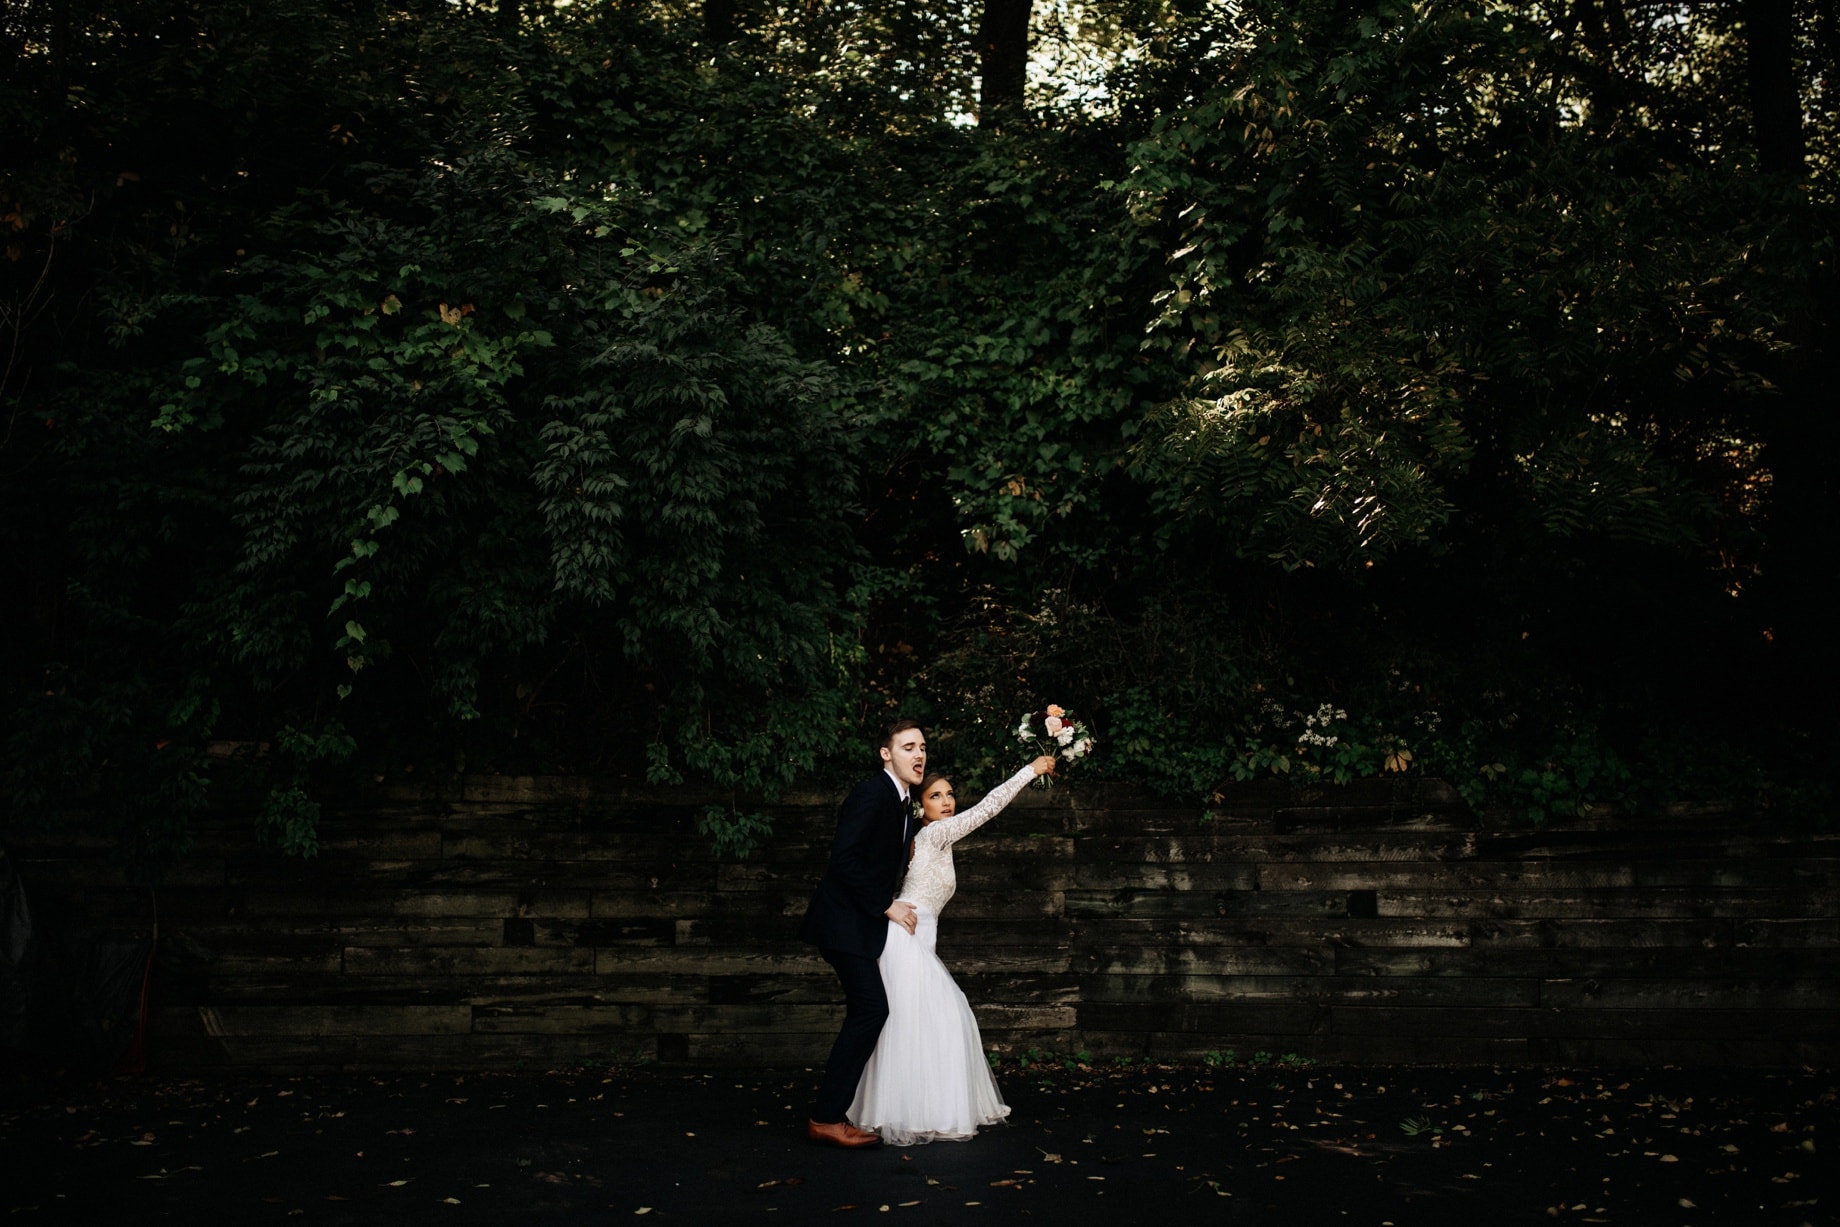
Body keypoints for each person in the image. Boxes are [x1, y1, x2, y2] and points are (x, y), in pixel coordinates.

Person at [847, 753, 1057, 1146]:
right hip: (905, 940)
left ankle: (913, 1112)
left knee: (918, 1027)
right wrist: (1031, 769)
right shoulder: (933, 835)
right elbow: (989, 807)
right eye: (935, 797)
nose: (946, 802)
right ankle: (912, 1114)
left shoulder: (928, 839)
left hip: (918, 940)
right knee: (938, 1021)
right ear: (920, 806)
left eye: (949, 794)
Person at [797, 718, 927, 1148]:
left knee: (868, 1011)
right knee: (872, 1010)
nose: (919, 754)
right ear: (886, 754)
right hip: (843, 922)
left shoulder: (904, 802)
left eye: (923, 747)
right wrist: (885, 904)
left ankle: (832, 1114)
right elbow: (844, 860)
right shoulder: (872, 793)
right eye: (908, 747)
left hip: (857, 925)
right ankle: (826, 1118)